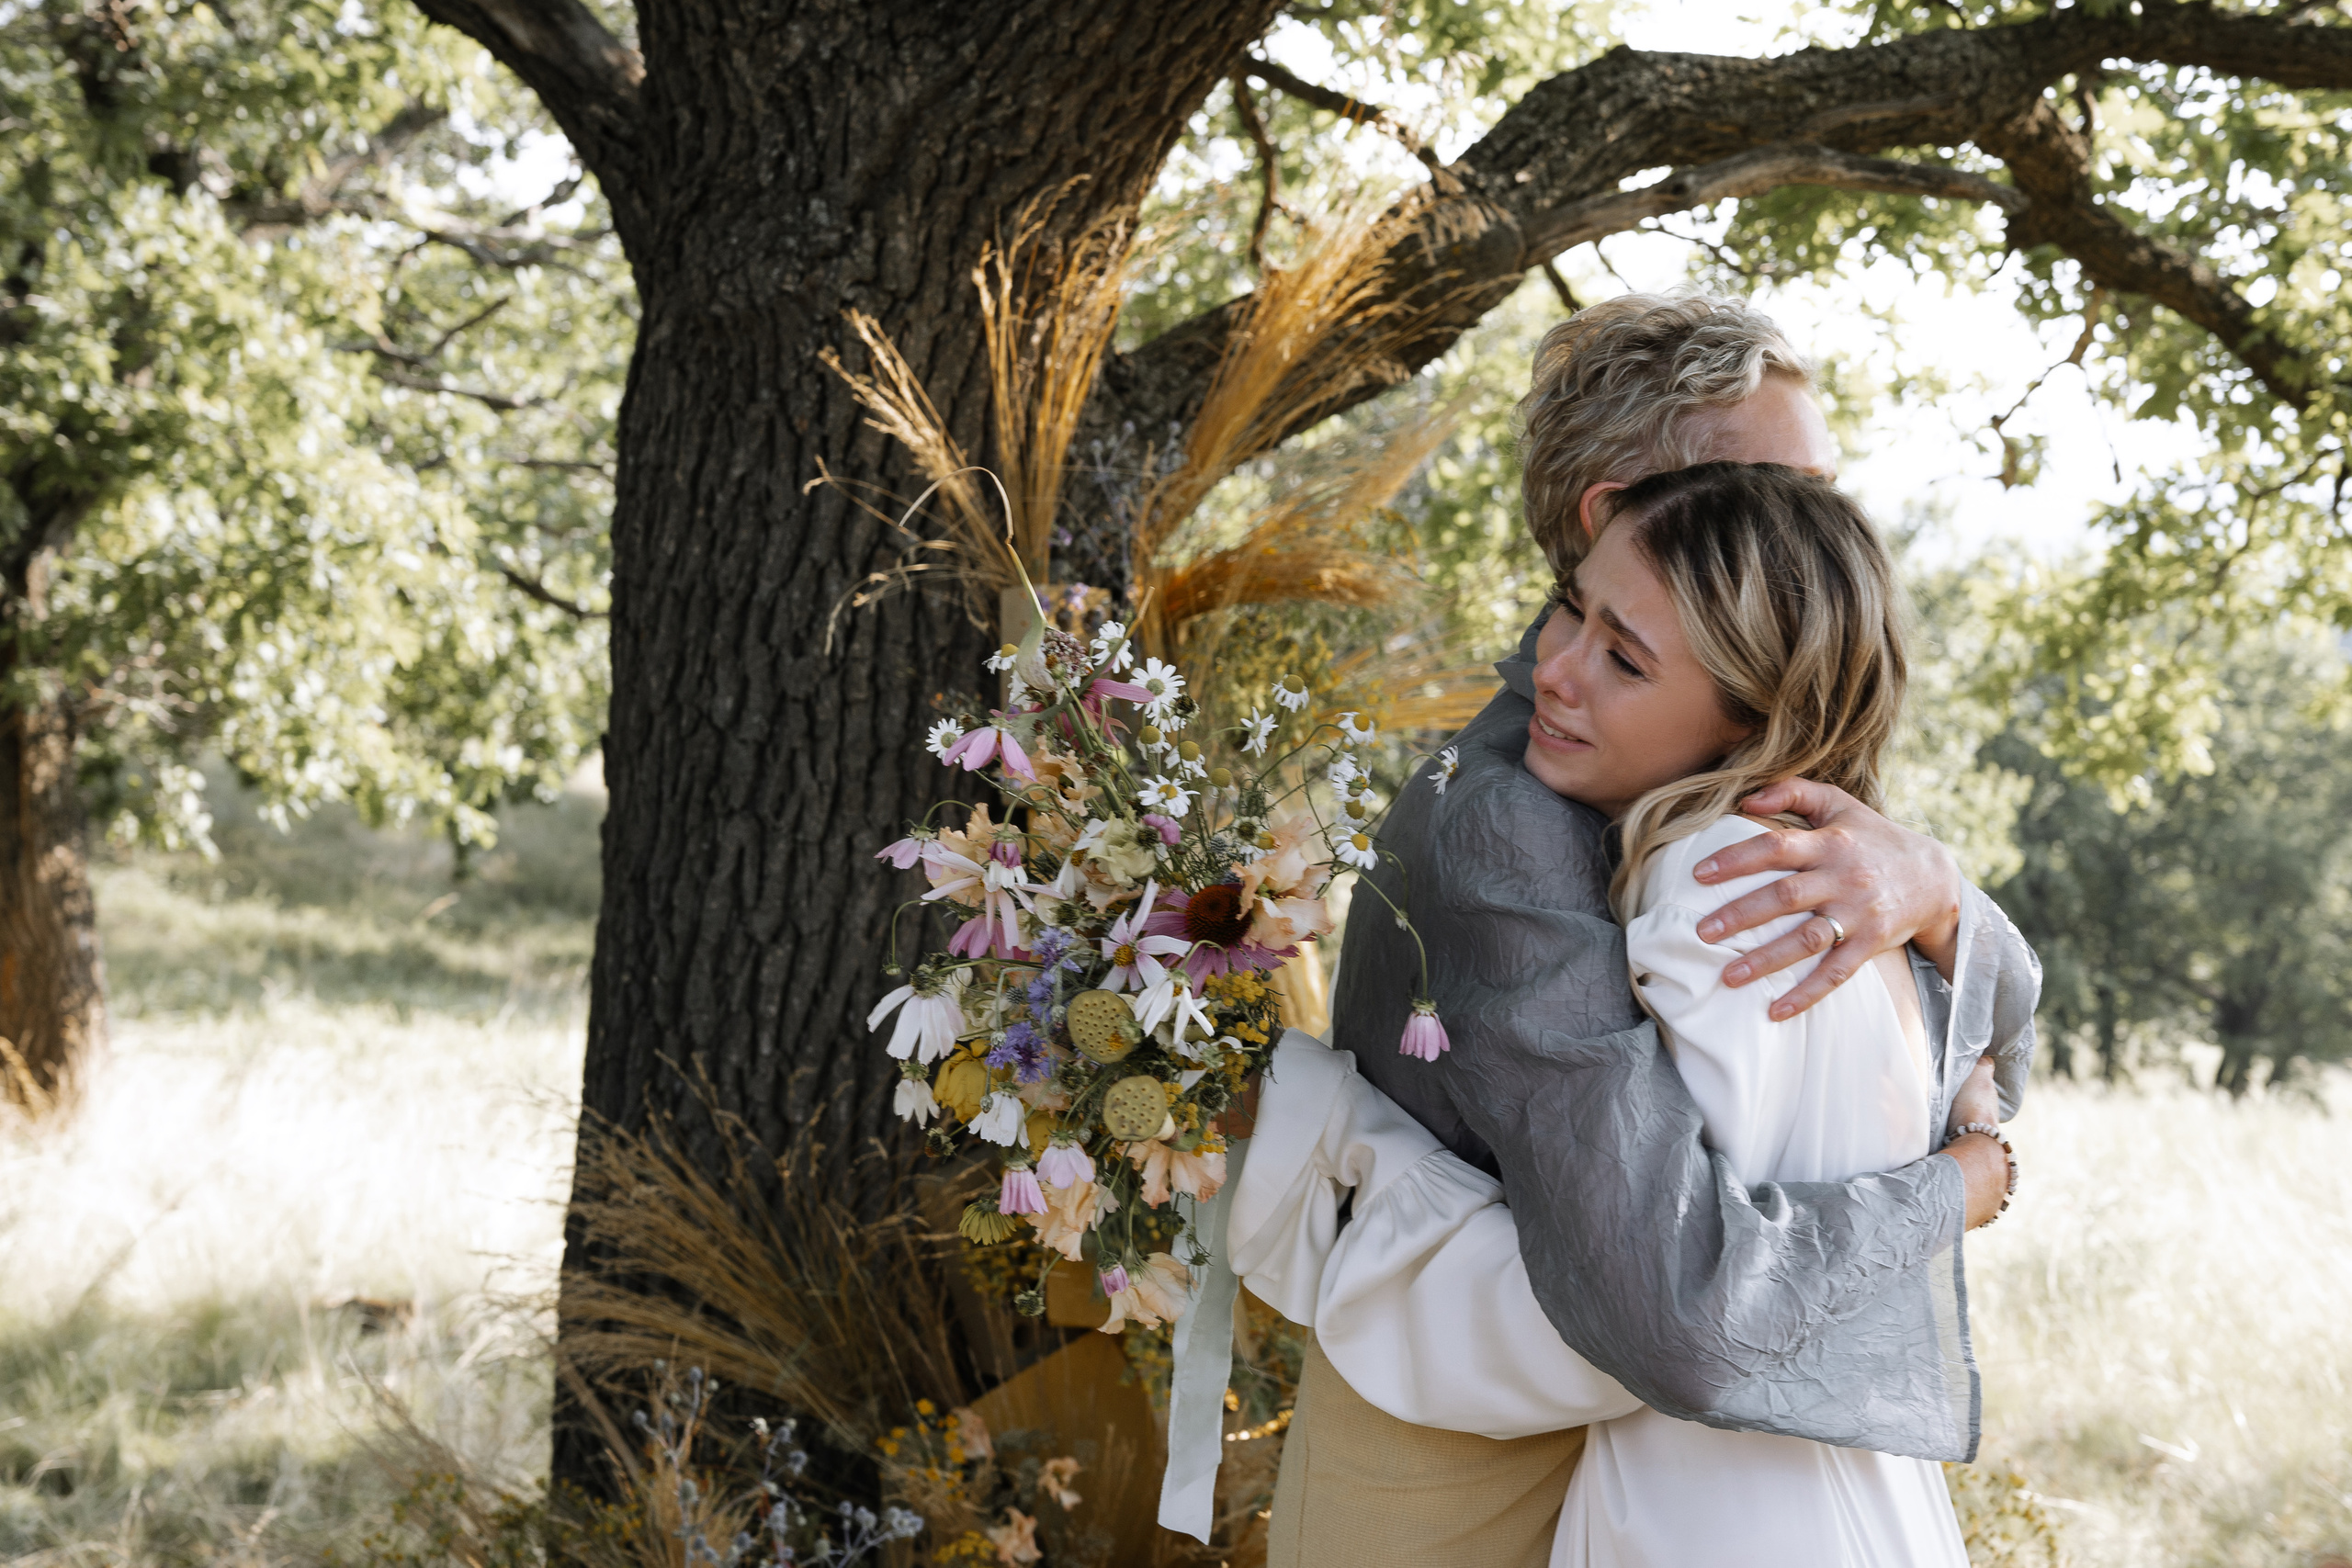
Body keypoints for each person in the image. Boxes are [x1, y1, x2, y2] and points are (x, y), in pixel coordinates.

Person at [1235, 295, 2035, 1567]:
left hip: (1632, 1447)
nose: (1826, 534)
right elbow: (1677, 1305)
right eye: (1778, 491)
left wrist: (1939, 895)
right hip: (1466, 1482)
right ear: (1619, 514)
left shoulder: (1715, 806)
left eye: (1825, 492)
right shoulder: (1525, 819)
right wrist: (1953, 1192)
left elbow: (1980, 1073)